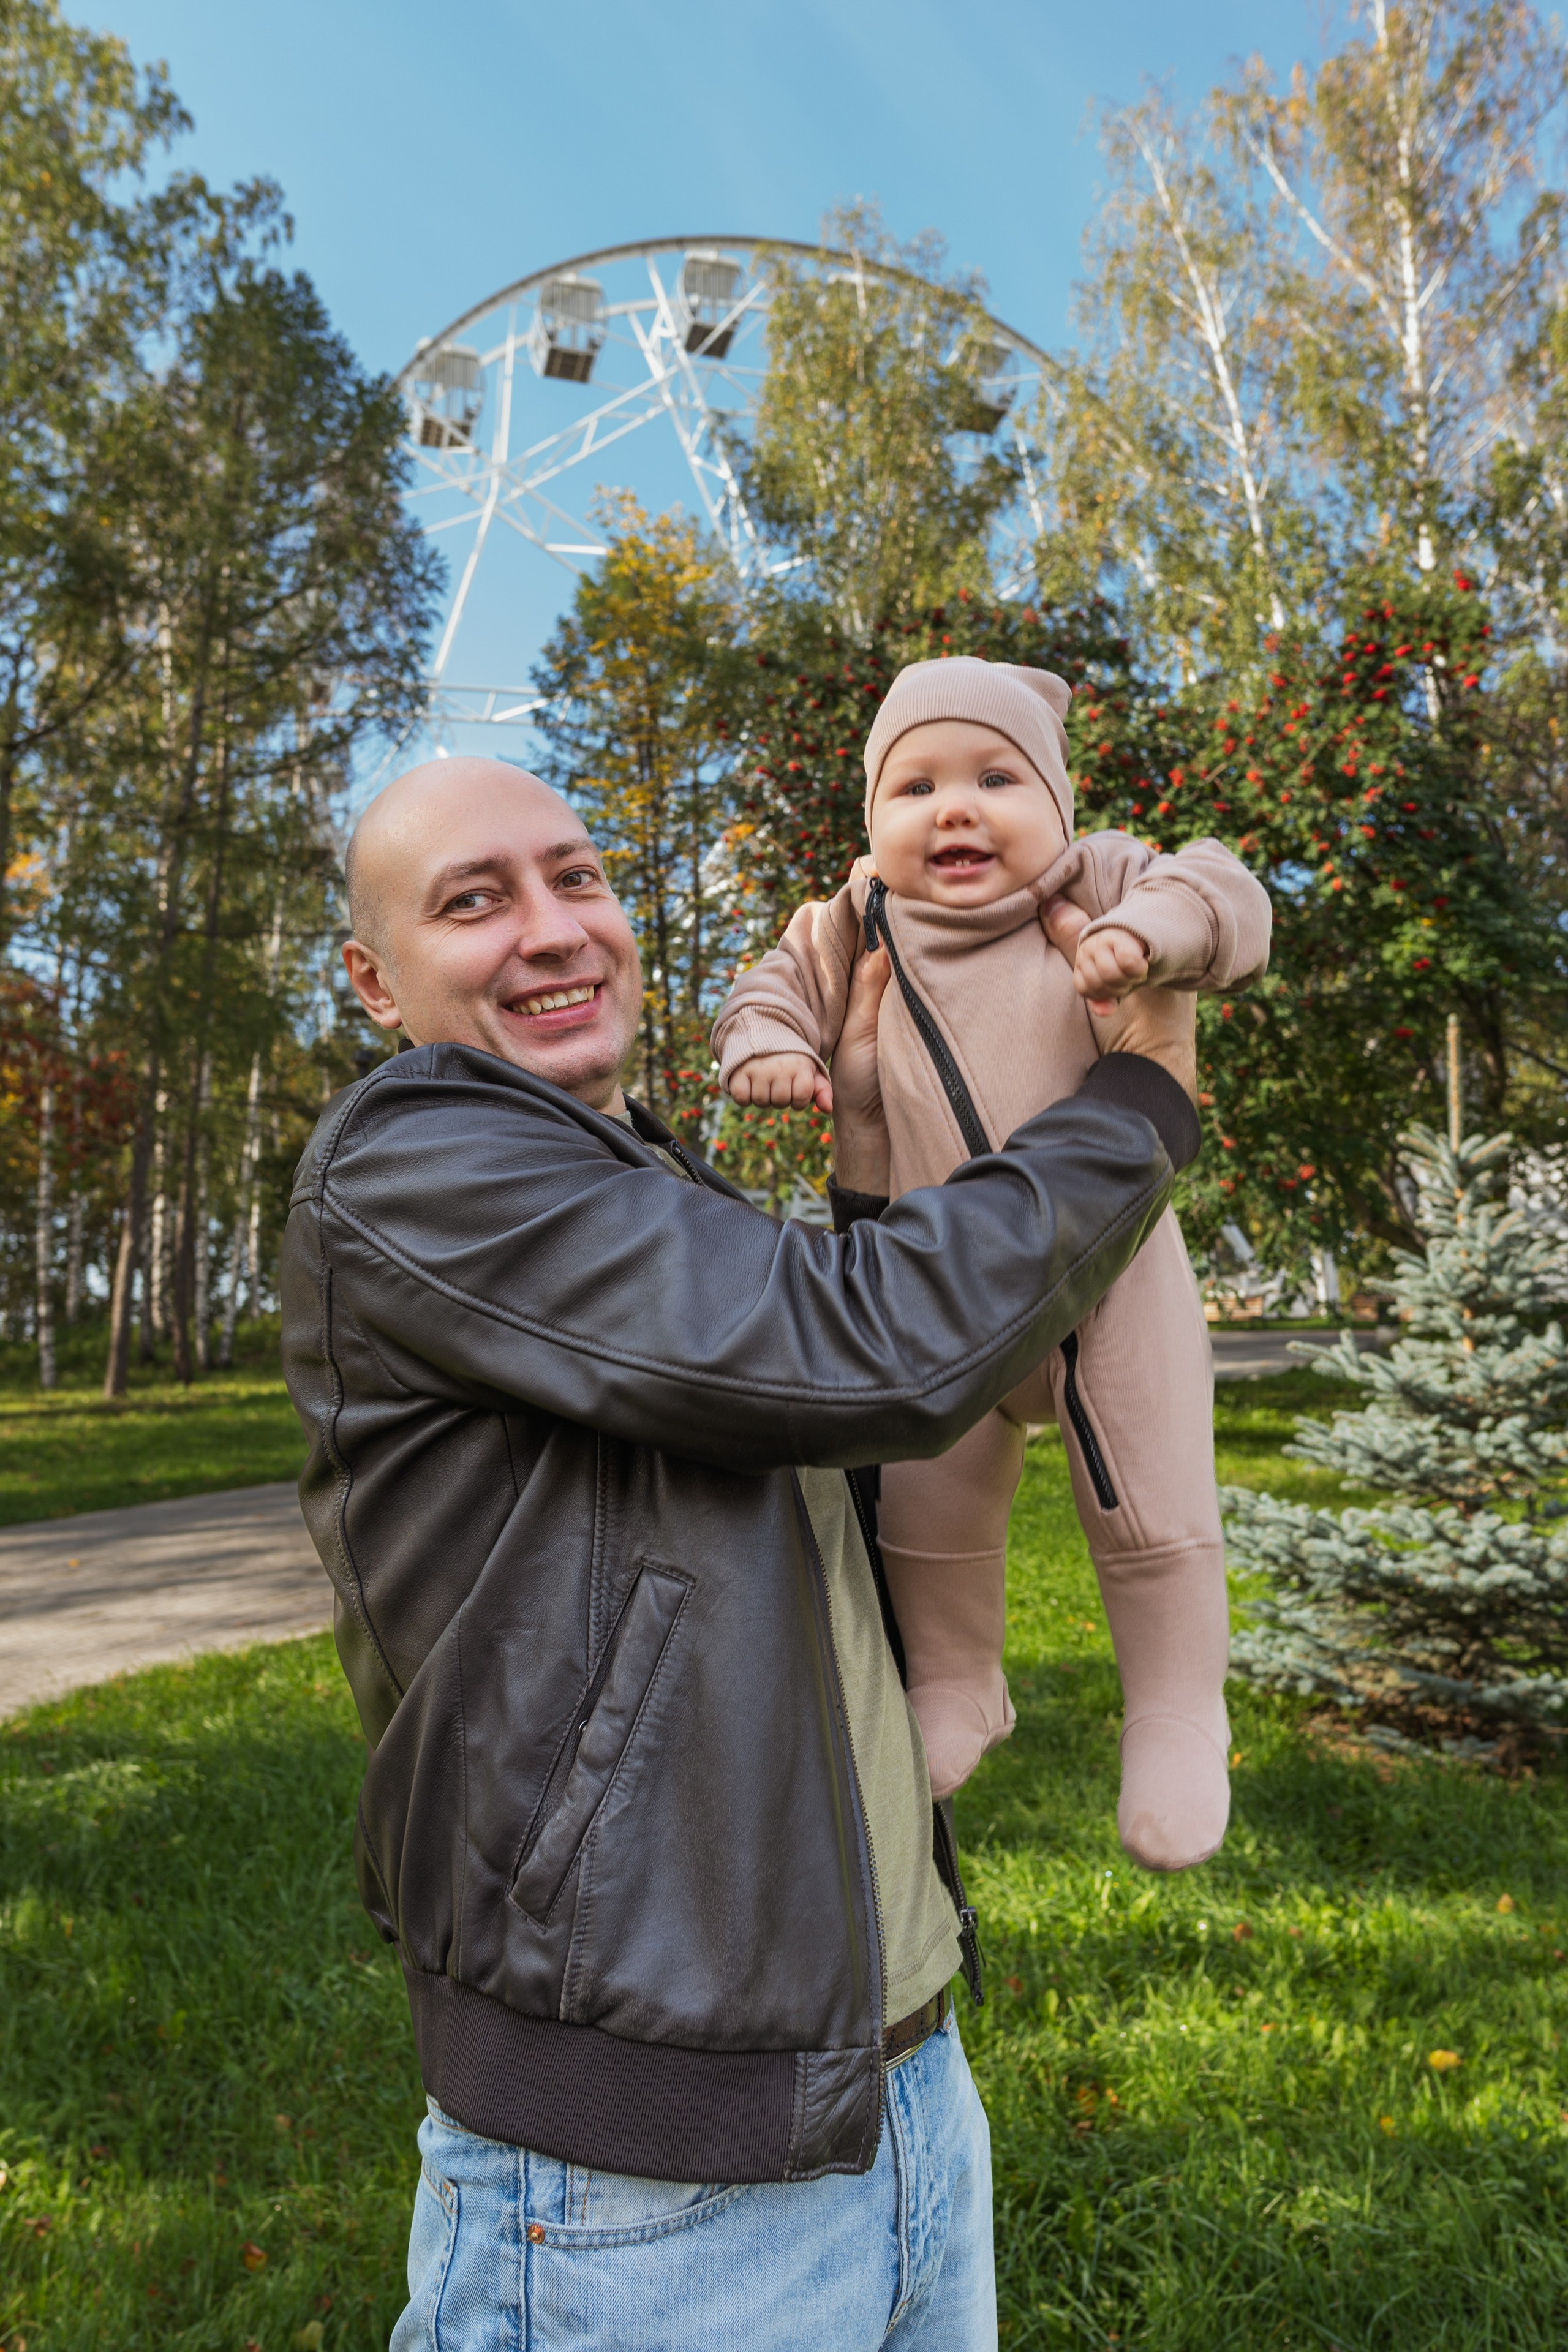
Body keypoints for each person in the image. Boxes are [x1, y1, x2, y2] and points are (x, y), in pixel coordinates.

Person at [280, 755, 1205, 2351]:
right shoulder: (417, 1161)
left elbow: (811, 1404)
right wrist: (1136, 1098)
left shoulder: (624, 1168)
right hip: (641, 2184)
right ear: (377, 981)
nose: (554, 931)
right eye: (475, 902)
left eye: (577, 879)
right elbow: (859, 1355)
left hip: (890, 2091)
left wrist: (873, 1149)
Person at [712, 657, 1270, 1867]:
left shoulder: (1097, 879)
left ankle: (1175, 1712)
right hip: (933, 1275)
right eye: (911, 786)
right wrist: (761, 1041)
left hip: (1106, 1275)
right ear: (871, 824)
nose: (952, 808)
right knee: (929, 1503)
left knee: (1148, 1498)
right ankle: (956, 1686)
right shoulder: (853, 921)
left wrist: (1147, 935)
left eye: (993, 776)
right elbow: (768, 987)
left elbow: (1226, 895)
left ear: (1058, 802)